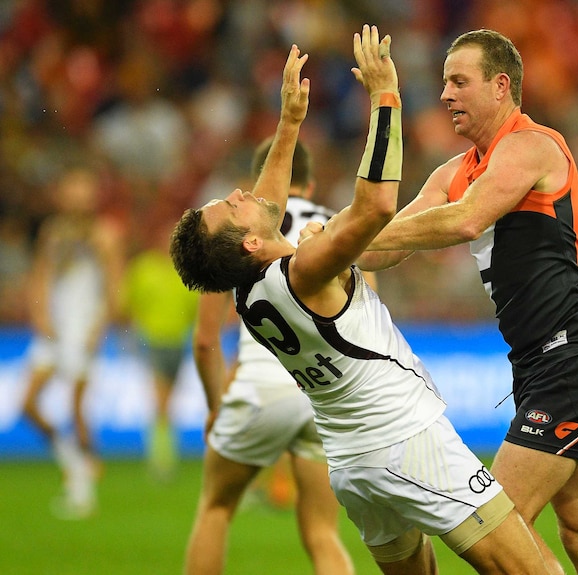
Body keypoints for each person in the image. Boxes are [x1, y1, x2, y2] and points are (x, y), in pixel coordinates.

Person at [170, 28, 549, 575]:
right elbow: (375, 207)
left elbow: (269, 199)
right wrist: (384, 96)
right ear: (248, 241)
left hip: (352, 466)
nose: (239, 193)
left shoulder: (249, 292)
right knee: (528, 569)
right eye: (230, 207)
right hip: (407, 439)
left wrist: (289, 122)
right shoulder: (304, 267)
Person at [356, 29, 578, 575]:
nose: (446, 95)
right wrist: (333, 250)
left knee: (499, 526)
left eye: (459, 81)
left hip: (575, 359)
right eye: (443, 83)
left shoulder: (534, 146)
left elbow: (466, 220)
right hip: (541, 367)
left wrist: (339, 244)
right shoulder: (453, 173)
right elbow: (386, 246)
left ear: (501, 86)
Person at [184, 137, 353, 575]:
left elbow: (205, 341)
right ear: (311, 186)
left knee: (216, 507)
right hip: (323, 389)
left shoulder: (235, 239)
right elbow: (361, 303)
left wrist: (216, 406)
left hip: (262, 385)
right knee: (323, 533)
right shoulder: (335, 226)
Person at [22, 166, 125, 519]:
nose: (77, 195)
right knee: (28, 404)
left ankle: (83, 492)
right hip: (53, 329)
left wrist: (101, 325)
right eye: (72, 188)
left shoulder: (104, 235)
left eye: (83, 188)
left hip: (83, 328)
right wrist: (38, 315)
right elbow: (39, 275)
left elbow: (114, 284)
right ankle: (75, 464)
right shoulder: (53, 232)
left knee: (77, 408)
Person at [121, 219, 199, 481]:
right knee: (161, 401)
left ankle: (163, 454)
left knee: (168, 402)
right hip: (152, 340)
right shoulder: (143, 268)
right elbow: (130, 304)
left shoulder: (181, 270)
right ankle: (162, 460)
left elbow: (193, 307)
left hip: (178, 341)